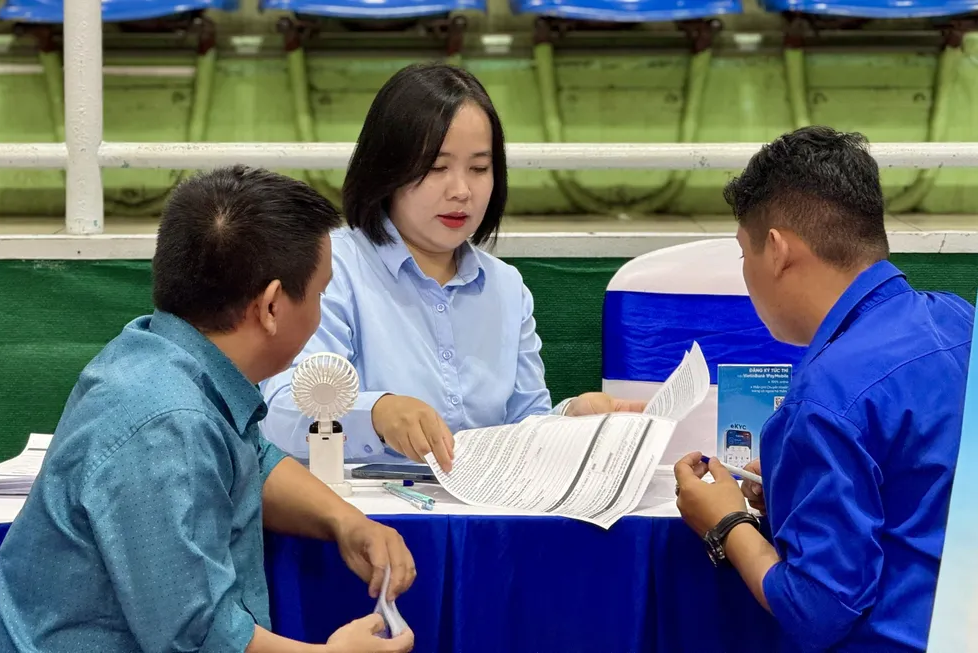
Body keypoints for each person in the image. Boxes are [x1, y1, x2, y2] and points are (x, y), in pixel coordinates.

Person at [0, 167, 416, 653]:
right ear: (272, 307)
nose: (320, 307)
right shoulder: (167, 428)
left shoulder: (162, 350)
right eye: (320, 294)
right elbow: (194, 640)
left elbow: (250, 459)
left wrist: (347, 522)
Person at [673, 126, 974, 652]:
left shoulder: (822, 402)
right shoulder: (958, 321)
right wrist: (793, 493)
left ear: (777, 249)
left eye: (744, 254)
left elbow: (817, 609)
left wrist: (723, 522)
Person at [260, 62, 642, 472]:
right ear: (387, 167)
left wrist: (570, 422)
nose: (461, 191)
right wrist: (378, 415)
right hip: (363, 512)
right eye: (437, 167)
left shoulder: (506, 288)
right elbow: (280, 411)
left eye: (479, 168)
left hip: (482, 512)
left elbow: (523, 427)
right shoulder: (331, 268)